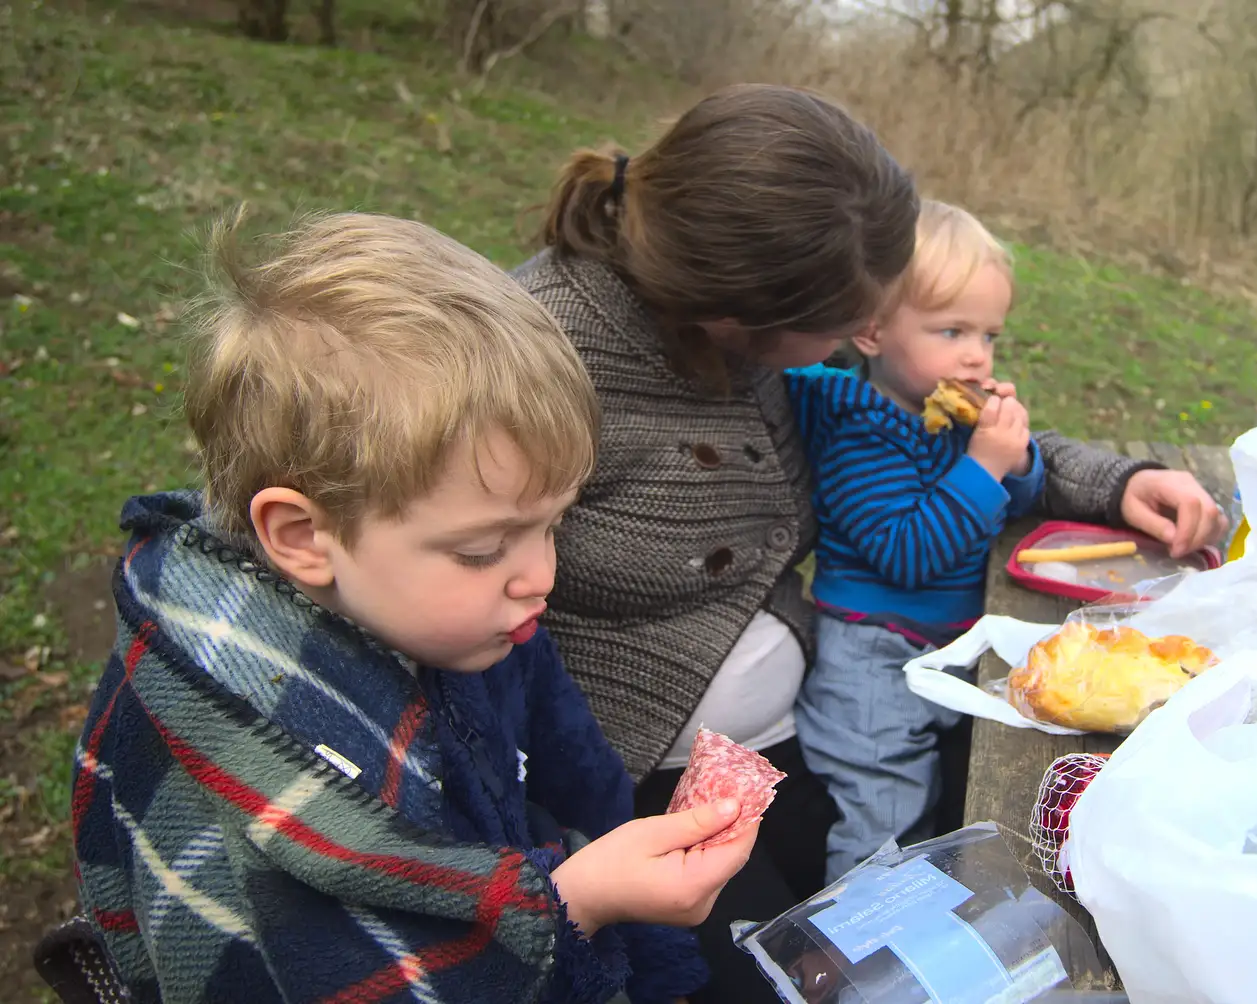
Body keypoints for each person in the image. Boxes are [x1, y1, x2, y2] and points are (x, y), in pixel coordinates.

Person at [514, 85, 1223, 1001]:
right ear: (746, 318)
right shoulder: (542, 363)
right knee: (791, 969)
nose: (870, 331)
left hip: (791, 727)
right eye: (852, 321)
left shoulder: (788, 342)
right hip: (638, 779)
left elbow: (939, 429)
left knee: (996, 853)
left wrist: (1119, 481)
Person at [65, 211, 753, 1004]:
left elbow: (571, 761)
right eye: (481, 549)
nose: (539, 575)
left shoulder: (454, 617)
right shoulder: (272, 790)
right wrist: (576, 904)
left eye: (553, 524)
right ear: (301, 536)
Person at [785, 200, 1224, 882]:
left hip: (948, 640)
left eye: (988, 335)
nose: (974, 354)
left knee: (958, 783)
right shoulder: (859, 431)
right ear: (870, 331)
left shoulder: (951, 412)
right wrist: (985, 465)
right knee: (883, 810)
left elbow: (1006, 503)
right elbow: (909, 552)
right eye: (951, 329)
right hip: (871, 655)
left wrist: (1017, 461)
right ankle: (857, 948)